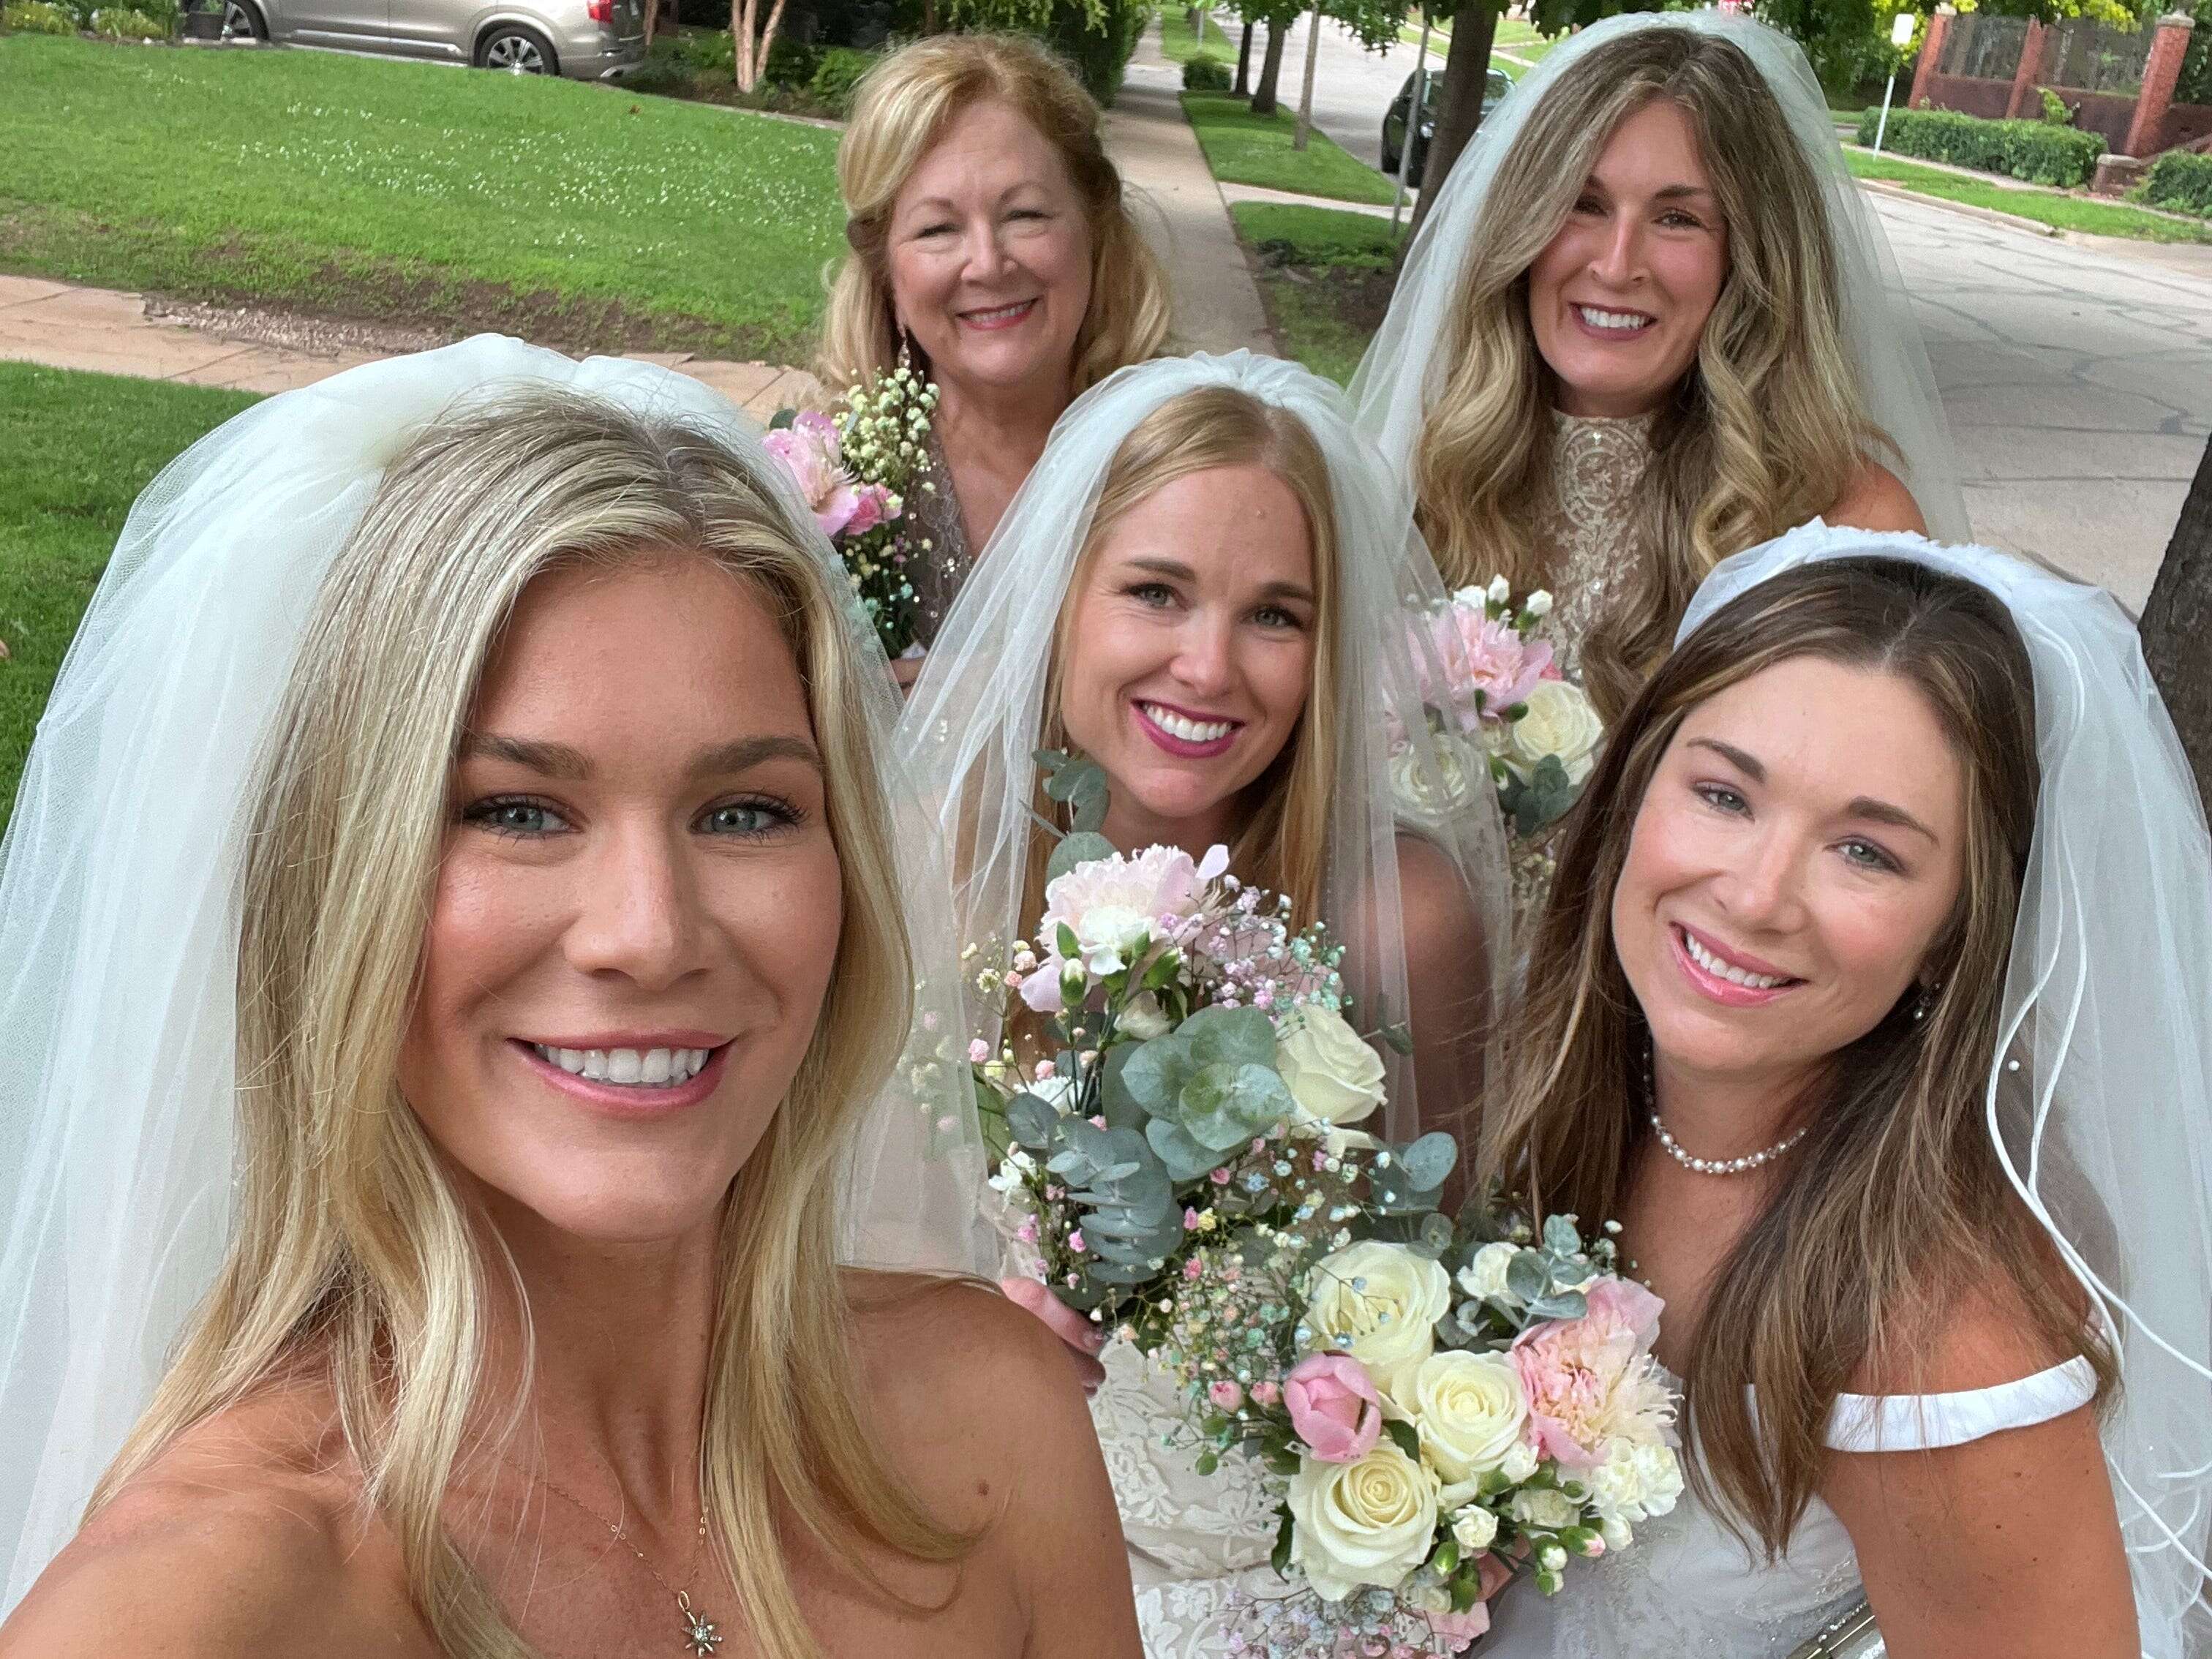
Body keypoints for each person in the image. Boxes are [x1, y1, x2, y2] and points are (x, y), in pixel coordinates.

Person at [0, 338, 1145, 1659]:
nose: (650, 933)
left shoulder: (993, 1426)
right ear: (340, 881)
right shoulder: (205, 1609)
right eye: (519, 810)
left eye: (744, 809)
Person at [1475, 525, 2212, 1658]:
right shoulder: (1554, 1089)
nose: (1758, 895)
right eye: (1725, 796)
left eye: (1867, 852)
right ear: (1633, 790)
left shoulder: (1939, 1330)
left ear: (1949, 939)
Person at [897, 351, 1508, 1657]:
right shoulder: (936, 870)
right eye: (1155, 591)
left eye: (1274, 615)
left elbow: (1445, 1286)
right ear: (1064, 600)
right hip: (965, 1560)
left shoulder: (1401, 911)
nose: (1207, 664)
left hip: (1286, 1601)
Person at [1352, 14, 1966, 729]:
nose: (1616, 265)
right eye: (1583, 204)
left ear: (1749, 259)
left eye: (1677, 218)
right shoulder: (1421, 474)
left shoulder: (1848, 524)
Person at [820, 33, 1173, 674]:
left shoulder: (1185, 462)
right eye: (937, 229)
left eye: (1026, 215)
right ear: (886, 277)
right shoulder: (830, 492)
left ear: (1095, 232)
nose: (987, 263)